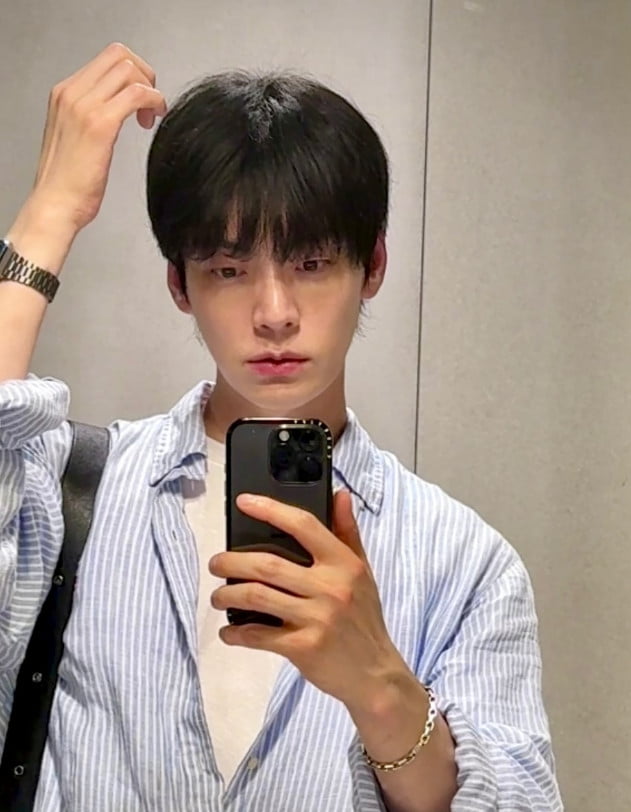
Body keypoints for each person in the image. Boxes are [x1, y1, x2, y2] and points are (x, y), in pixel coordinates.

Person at [0, 43, 562, 812]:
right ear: (179, 285)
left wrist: (380, 688)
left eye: (311, 263)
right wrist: (47, 218)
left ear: (372, 267)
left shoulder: (462, 563)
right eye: (228, 270)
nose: (273, 313)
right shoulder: (72, 497)